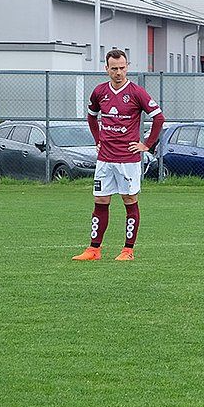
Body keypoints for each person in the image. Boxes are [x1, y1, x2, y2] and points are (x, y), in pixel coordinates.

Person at [72, 49, 165, 262]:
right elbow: (91, 117)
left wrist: (147, 145)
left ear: (127, 67)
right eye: (114, 68)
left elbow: (158, 118)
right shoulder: (99, 92)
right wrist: (98, 140)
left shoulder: (136, 92)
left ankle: (127, 250)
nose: (119, 72)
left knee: (129, 199)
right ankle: (94, 250)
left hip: (127, 159)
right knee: (100, 199)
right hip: (105, 158)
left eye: (122, 68)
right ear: (106, 69)